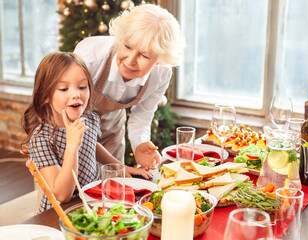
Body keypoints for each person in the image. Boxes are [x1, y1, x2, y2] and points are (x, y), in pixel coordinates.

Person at [21, 52, 152, 213]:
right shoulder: (41, 140)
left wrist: (122, 166)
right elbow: (63, 195)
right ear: (44, 96)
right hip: (62, 213)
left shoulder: (89, 118)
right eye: (63, 88)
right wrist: (72, 146)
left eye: (82, 87)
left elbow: (91, 144)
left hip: (93, 199)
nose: (76, 94)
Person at [73, 3, 185, 170]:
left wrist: (140, 144)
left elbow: (141, 117)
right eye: (127, 46)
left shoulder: (161, 74)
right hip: (69, 128)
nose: (130, 60)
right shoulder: (90, 56)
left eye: (144, 55)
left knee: (110, 186)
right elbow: (59, 106)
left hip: (112, 128)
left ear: (159, 59)